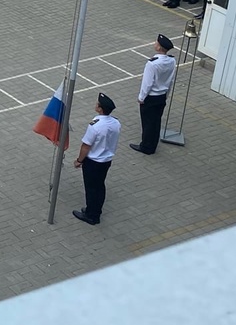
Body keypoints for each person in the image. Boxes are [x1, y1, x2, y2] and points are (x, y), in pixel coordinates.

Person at [73, 93, 120, 225]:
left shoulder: (95, 125)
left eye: (97, 104)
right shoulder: (116, 123)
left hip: (93, 162)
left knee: (91, 189)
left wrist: (79, 160)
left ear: (100, 109)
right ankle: (95, 210)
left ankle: (91, 215)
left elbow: (86, 146)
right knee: (99, 186)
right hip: (106, 160)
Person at [131, 35, 177, 155]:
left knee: (147, 123)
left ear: (159, 48)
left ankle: (146, 146)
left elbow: (147, 83)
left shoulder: (152, 64)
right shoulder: (172, 61)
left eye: (156, 43)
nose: (154, 43)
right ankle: (153, 143)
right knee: (156, 121)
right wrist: (167, 94)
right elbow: (171, 80)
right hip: (162, 96)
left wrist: (141, 97)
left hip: (151, 97)